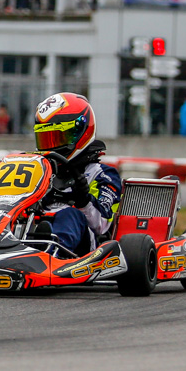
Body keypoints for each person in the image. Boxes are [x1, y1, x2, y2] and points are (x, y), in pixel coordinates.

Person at [31, 92, 123, 255]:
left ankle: (51, 253)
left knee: (69, 214)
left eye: (58, 138)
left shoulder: (102, 175)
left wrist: (83, 200)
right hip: (38, 228)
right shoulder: (41, 171)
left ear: (80, 131)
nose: (51, 147)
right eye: (46, 139)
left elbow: (101, 225)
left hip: (86, 247)